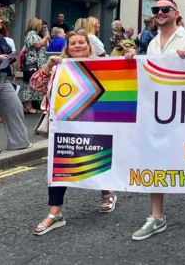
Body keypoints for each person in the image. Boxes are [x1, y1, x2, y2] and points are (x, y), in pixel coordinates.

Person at [124, 0, 185, 241]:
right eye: (156, 9)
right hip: (158, 111)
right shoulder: (152, 43)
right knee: (155, 159)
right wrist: (133, 59)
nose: (159, 12)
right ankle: (157, 216)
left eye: (165, 9)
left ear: (176, 13)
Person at [30, 31, 126, 235]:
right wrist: (48, 67)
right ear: (67, 47)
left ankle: (107, 192)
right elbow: (36, 85)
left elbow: (123, 79)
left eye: (81, 42)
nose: (77, 46)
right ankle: (55, 212)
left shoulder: (101, 64)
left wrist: (130, 57)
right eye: (73, 43)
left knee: (98, 156)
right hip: (66, 126)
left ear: (89, 46)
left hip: (96, 123)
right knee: (60, 165)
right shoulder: (59, 66)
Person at [0, 12, 31, 155]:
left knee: (15, 107)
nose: (1, 21)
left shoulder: (1, 38)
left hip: (4, 79)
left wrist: (11, 58)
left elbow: (10, 53)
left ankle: (19, 142)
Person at [22, 18, 49, 114]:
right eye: (41, 25)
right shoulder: (31, 34)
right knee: (29, 85)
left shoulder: (37, 35)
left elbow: (44, 47)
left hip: (38, 64)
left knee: (36, 84)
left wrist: (45, 38)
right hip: (32, 63)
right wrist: (45, 38)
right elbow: (37, 45)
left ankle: (33, 104)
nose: (42, 27)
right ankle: (27, 106)